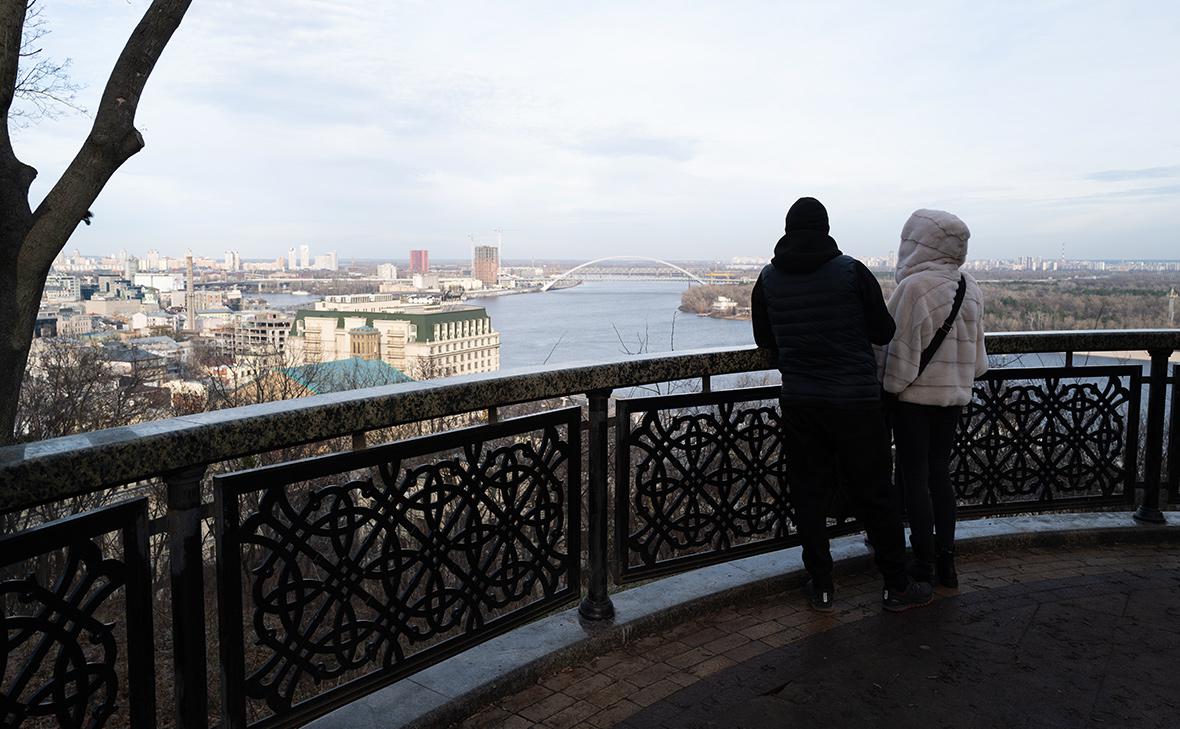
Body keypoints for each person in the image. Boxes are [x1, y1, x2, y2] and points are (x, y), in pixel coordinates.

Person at [752, 196, 932, 613]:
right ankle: (896, 584)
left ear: (787, 230)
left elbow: (765, 340)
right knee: (876, 491)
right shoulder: (852, 271)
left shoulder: (767, 279)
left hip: (801, 403)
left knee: (808, 493)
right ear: (826, 228)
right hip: (856, 402)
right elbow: (883, 331)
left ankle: (821, 584)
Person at [879, 209, 987, 588]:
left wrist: (889, 390)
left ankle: (923, 560)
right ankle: (947, 561)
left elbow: (897, 354)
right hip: (953, 399)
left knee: (914, 477)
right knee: (940, 475)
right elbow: (979, 362)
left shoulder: (914, 288)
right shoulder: (970, 287)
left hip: (914, 401)